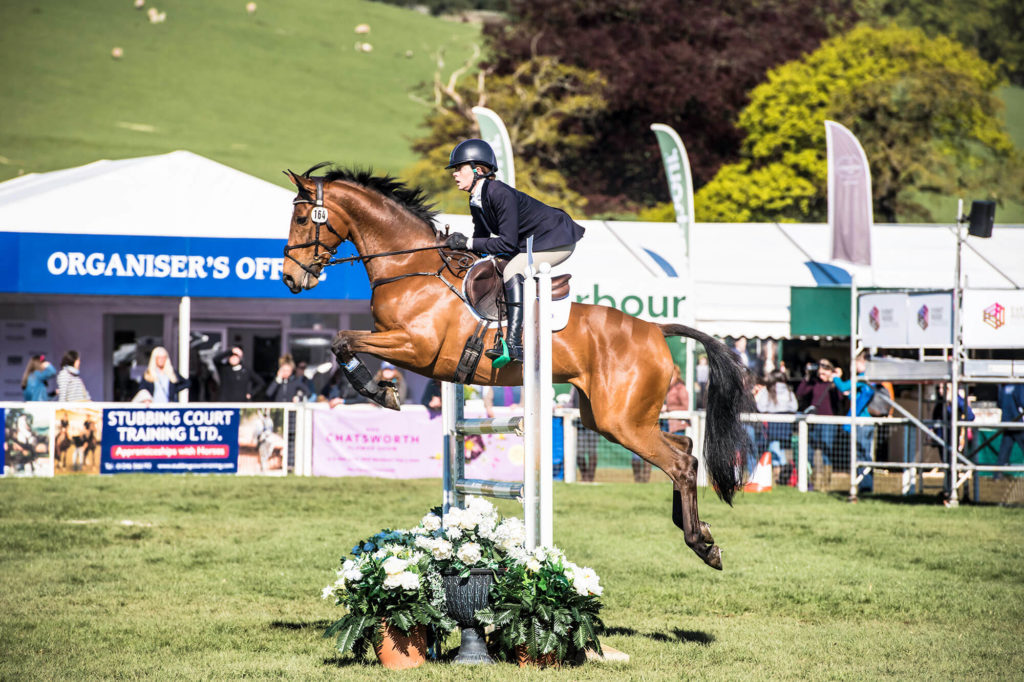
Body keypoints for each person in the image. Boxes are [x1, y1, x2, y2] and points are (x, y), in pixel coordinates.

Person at [442, 138, 585, 366]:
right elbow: (481, 240)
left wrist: (467, 243)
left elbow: (506, 244)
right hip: (531, 243)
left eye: (459, 168)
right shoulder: (476, 198)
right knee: (496, 266)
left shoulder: (499, 193)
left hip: (556, 240)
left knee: (514, 270)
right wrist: (459, 250)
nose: (455, 174)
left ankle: (514, 343)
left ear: (478, 170)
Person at [832, 351, 878, 492]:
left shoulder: (863, 378)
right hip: (867, 422)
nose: (854, 366)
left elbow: (843, 386)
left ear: (863, 363)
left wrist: (836, 378)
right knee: (864, 454)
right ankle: (865, 483)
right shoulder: (871, 380)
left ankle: (865, 484)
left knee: (862, 454)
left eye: (856, 363)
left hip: (862, 422)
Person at [796, 358, 841, 489]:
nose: (821, 375)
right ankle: (811, 481)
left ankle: (825, 484)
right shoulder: (814, 383)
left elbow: (840, 397)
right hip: (813, 421)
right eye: (819, 372)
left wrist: (835, 379)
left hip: (828, 422)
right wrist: (807, 376)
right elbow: (800, 393)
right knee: (810, 451)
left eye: (824, 372)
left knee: (826, 451)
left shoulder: (833, 385)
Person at [932, 382, 976, 504]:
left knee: (954, 467)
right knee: (947, 467)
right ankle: (947, 491)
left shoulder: (957, 400)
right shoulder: (941, 402)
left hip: (954, 440)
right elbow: (935, 417)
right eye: (939, 388)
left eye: (943, 388)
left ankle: (952, 493)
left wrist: (960, 424)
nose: (940, 390)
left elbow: (970, 416)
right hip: (942, 439)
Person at [756, 370, 798, 484]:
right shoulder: (789, 391)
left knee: (774, 447)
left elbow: (761, 407)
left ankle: (782, 470)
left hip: (772, 422)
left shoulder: (768, 390)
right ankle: (779, 476)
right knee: (779, 448)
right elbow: (794, 407)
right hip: (785, 423)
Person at [994, 383, 1024, 480]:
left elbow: (999, 402)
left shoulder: (1003, 385)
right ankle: (998, 473)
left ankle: (997, 474)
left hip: (1006, 421)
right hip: (1017, 421)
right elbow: (1022, 400)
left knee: (1004, 449)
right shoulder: (1019, 385)